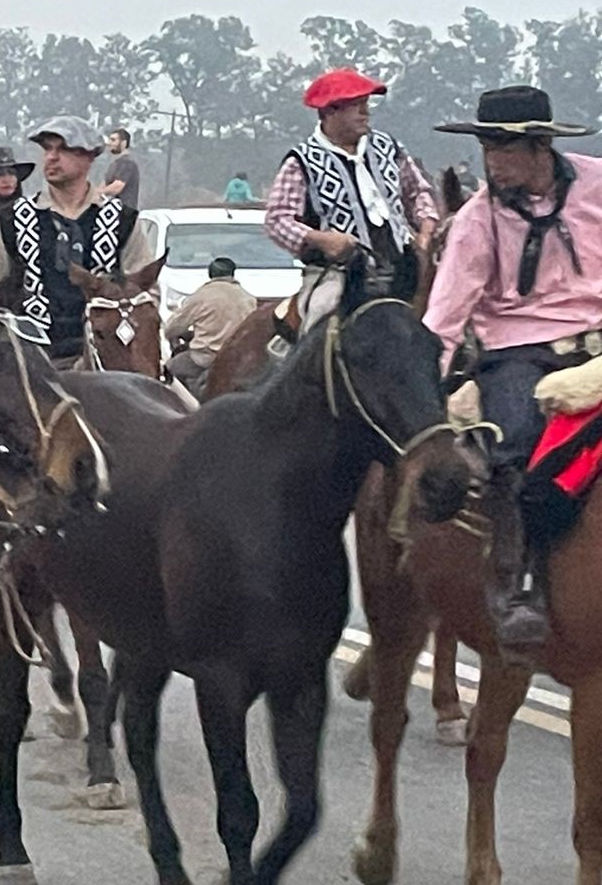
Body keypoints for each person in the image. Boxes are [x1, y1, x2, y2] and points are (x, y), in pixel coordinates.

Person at [423, 85, 602, 660]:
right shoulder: (477, 219)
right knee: (516, 441)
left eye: (504, 147)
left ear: (541, 145)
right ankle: (518, 584)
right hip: (519, 352)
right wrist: (425, 392)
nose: (492, 161)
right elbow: (445, 317)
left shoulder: (598, 185)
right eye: (486, 147)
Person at [264, 69, 438, 330]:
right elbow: (277, 219)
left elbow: (418, 192)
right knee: (320, 315)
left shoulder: (389, 147)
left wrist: (425, 229)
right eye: (356, 105)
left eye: (366, 104)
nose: (365, 112)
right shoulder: (301, 161)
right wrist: (321, 239)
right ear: (329, 111)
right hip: (339, 275)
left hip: (403, 267)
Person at [0, 116, 149, 362]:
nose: (51, 157)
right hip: (33, 359)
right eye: (47, 149)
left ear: (89, 156)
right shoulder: (12, 219)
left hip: (108, 359)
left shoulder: (123, 220)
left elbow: (144, 293)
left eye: (63, 149)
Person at [163, 257, 258, 395]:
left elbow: (171, 329)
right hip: (237, 360)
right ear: (232, 273)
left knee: (169, 370)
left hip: (204, 360)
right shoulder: (248, 299)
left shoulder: (201, 296)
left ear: (210, 274)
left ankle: (184, 405)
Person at [100, 128, 141, 209]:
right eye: (109, 140)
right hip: (110, 211)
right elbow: (103, 185)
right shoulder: (114, 164)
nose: (109, 143)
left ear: (123, 143)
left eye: (113, 140)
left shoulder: (127, 162)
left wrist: (98, 193)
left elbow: (117, 187)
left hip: (124, 212)